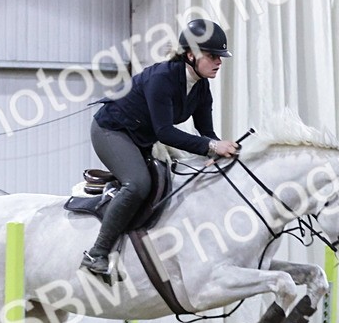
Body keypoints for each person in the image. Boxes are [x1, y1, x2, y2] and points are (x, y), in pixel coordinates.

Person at [80, 19, 242, 279]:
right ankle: (97, 253)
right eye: (213, 56)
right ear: (191, 55)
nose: (219, 62)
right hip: (111, 130)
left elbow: (206, 134)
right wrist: (212, 146)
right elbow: (164, 132)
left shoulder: (202, 87)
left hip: (141, 138)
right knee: (138, 184)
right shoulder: (162, 79)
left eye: (220, 57)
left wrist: (220, 151)